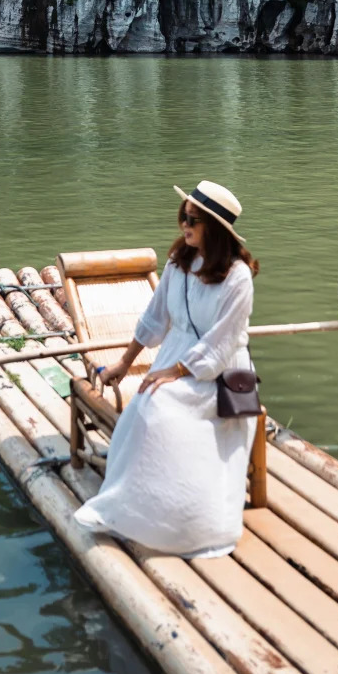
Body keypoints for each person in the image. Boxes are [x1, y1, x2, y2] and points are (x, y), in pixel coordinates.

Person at [73, 180, 259, 558]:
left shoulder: (238, 276)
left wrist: (176, 371)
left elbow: (222, 342)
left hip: (219, 374)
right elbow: (154, 318)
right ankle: (137, 507)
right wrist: (125, 363)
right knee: (145, 404)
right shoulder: (179, 263)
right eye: (182, 217)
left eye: (192, 220)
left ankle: (182, 519)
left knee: (162, 405)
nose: (183, 225)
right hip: (175, 361)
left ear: (214, 228)